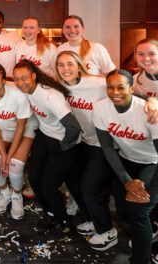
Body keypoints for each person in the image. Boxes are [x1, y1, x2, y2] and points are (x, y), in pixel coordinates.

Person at [55, 50, 120, 250]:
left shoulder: (97, 83)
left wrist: (152, 101)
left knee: (91, 189)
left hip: (105, 143)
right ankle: (95, 219)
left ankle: (108, 231)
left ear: (79, 66)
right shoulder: (60, 87)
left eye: (70, 64)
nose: (65, 69)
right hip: (84, 141)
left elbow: (126, 88)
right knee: (73, 181)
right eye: (61, 65)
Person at [93, 69, 158, 264]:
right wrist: (126, 181)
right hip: (126, 160)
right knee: (122, 210)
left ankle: (141, 259)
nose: (115, 92)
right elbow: (106, 146)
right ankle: (150, 231)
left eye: (121, 87)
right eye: (110, 88)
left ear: (131, 88)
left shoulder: (149, 111)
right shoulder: (100, 108)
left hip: (152, 162)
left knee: (139, 210)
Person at [14, 59, 81, 234]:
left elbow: (74, 128)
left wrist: (63, 147)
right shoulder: (27, 89)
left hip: (64, 142)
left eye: (24, 78)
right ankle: (52, 214)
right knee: (34, 180)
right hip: (44, 136)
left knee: (48, 186)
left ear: (34, 76)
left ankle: (64, 222)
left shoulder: (50, 97)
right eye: (17, 79)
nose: (20, 83)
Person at [0, 63, 34, 220]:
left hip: (24, 130)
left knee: (15, 169)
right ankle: (5, 193)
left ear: (4, 80)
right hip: (2, 128)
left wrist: (8, 158)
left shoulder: (18, 94)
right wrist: (3, 154)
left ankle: (17, 196)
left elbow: (20, 128)